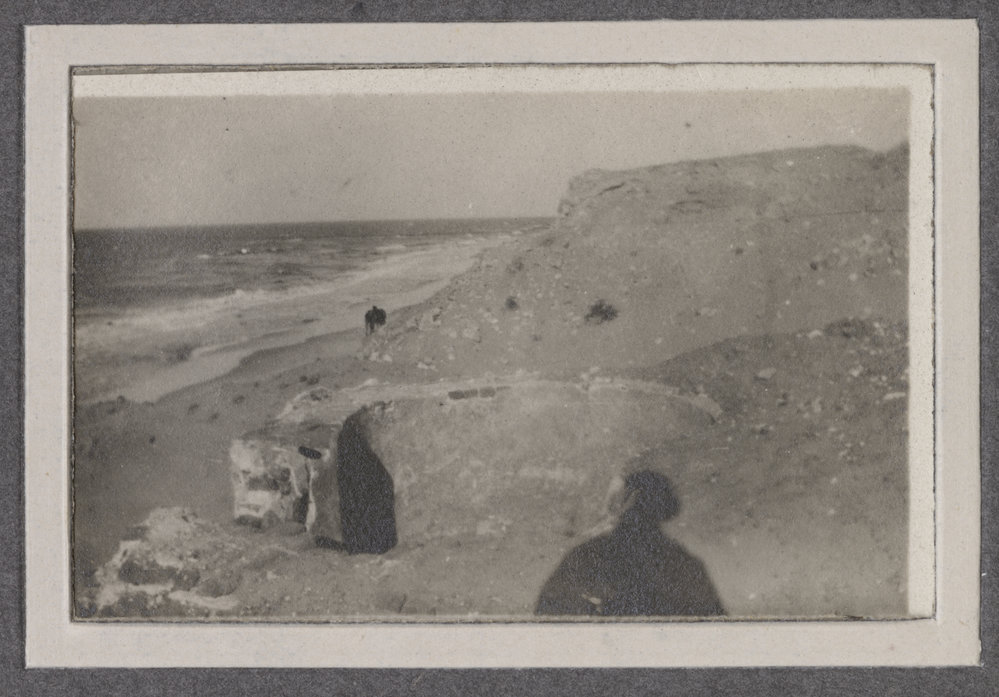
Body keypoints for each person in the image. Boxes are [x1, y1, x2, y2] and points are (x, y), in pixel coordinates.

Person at [535, 469, 725, 617]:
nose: (639, 517)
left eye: (644, 508)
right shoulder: (682, 564)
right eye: (637, 508)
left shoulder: (585, 556)